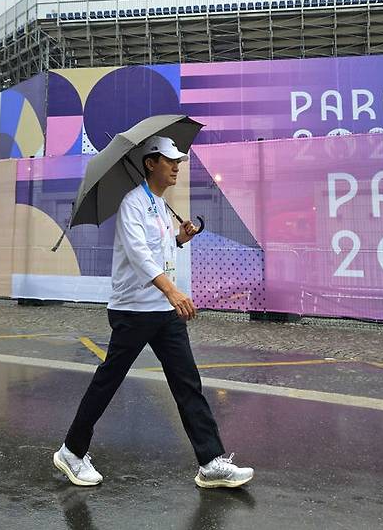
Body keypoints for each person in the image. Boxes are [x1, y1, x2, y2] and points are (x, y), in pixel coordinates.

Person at [54, 135, 254, 489]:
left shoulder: (161, 205)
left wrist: (179, 239)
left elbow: (159, 250)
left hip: (162, 312)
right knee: (108, 381)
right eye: (169, 160)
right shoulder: (132, 204)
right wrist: (173, 290)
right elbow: (138, 255)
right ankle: (71, 451)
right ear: (150, 163)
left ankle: (210, 462)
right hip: (133, 310)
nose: (177, 166)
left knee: (187, 383)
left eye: (178, 161)